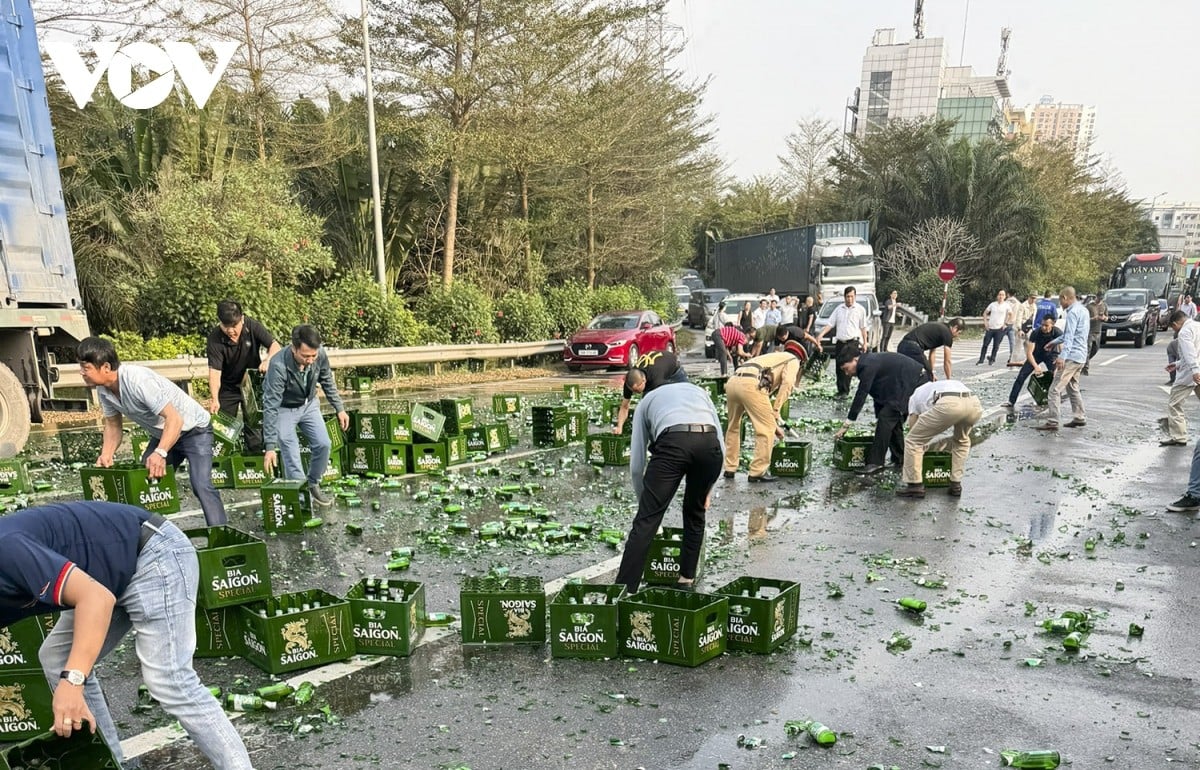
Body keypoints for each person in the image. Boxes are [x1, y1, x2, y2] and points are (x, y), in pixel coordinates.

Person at [0, 500, 254, 769]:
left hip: (151, 553)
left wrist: (73, 683)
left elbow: (96, 599)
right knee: (57, 658)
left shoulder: (7, 548)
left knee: (170, 680)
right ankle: (112, 763)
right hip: (102, 577)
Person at [78, 336, 228, 527]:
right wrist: (106, 454)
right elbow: (113, 425)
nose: (81, 372)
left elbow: (175, 419)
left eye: (86, 367)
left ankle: (221, 534)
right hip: (164, 433)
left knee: (201, 484)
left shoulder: (138, 381)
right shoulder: (104, 390)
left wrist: (160, 452)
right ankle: (148, 536)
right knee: (142, 482)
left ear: (106, 367)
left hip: (193, 430)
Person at [614, 380, 724, 593]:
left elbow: (637, 466)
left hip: (673, 442)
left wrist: (644, 502)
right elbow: (721, 440)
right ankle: (686, 581)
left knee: (646, 522)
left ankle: (625, 590)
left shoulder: (646, 402)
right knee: (695, 513)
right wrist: (710, 487)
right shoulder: (699, 391)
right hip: (709, 446)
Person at [261, 325, 350, 507]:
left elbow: (326, 380)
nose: (310, 360)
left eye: (313, 356)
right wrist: (270, 446)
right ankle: (302, 498)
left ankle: (313, 482)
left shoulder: (320, 354)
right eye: (305, 356)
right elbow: (270, 406)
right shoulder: (278, 365)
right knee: (290, 450)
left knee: (324, 444)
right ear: (294, 348)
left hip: (309, 404)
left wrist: (339, 408)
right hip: (284, 408)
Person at [834, 348, 928, 476]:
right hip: (900, 383)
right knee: (890, 420)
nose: (847, 373)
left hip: (914, 381)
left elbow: (862, 393)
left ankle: (876, 462)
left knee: (886, 418)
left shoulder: (866, 365)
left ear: (855, 360)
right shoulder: (868, 362)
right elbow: (877, 392)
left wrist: (848, 423)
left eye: (846, 368)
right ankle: (900, 458)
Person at [722, 341, 806, 483]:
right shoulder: (793, 360)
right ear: (801, 358)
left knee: (733, 426)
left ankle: (730, 468)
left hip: (733, 381)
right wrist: (776, 410)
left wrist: (774, 424)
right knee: (765, 430)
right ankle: (757, 471)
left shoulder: (774, 356)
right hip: (752, 385)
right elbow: (788, 383)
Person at [206, 299, 281, 452]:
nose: (231, 331)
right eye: (226, 327)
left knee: (254, 428)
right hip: (228, 387)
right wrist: (214, 398)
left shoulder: (252, 326)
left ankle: (256, 459)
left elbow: (275, 345)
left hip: (251, 385)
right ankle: (223, 461)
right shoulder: (214, 338)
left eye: (234, 326)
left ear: (242, 319)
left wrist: (268, 360)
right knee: (223, 429)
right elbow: (214, 372)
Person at [896, 379, 982, 498]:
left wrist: (922, 446)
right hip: (974, 403)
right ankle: (956, 484)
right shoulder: (936, 385)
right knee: (961, 441)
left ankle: (914, 485)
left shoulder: (914, 395)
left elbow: (913, 427)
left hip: (949, 404)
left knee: (913, 441)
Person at [1035, 287, 1089, 431]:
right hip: (1081, 356)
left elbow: (1070, 337)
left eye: (1060, 300)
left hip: (1071, 356)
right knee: (1072, 387)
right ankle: (1079, 417)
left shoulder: (1072, 313)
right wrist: (1053, 342)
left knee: (1054, 389)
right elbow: (1070, 335)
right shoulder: (1084, 310)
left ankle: (1052, 421)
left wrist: (1062, 357)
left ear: (1065, 298)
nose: (1060, 304)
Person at [614, 350, 687, 433]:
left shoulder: (656, 380)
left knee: (683, 397)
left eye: (637, 390)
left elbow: (661, 402)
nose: (635, 392)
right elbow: (624, 407)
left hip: (673, 370)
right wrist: (619, 427)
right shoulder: (629, 382)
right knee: (647, 405)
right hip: (655, 369)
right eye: (633, 391)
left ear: (644, 380)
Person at [814, 286, 869, 397]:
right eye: (847, 297)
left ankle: (845, 391)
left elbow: (863, 327)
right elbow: (830, 324)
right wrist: (820, 335)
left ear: (855, 296)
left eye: (852, 296)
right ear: (844, 297)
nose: (849, 299)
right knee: (839, 366)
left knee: (848, 366)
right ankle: (840, 390)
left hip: (852, 342)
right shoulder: (839, 309)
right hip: (840, 342)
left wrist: (865, 342)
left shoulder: (860, 310)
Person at [1003, 314, 1062, 408]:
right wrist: (1036, 366)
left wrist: (1058, 365)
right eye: (1042, 325)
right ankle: (1011, 401)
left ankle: (1054, 400)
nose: (1043, 327)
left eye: (1046, 325)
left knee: (1057, 377)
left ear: (1052, 325)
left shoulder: (1057, 332)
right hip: (1036, 355)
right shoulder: (1036, 332)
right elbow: (1029, 353)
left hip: (1051, 355)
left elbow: (1062, 350)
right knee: (1021, 377)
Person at [1161, 310, 1200, 447]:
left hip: (1190, 374)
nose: (1175, 331)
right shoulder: (1198, 326)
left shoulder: (1184, 332)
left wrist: (1195, 370)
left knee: (1175, 404)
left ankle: (1179, 437)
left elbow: (1190, 353)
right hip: (1195, 369)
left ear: (1176, 323)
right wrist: (1177, 364)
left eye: (1173, 327)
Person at [897, 318, 964, 381]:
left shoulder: (940, 327)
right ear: (955, 328)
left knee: (907, 375)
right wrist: (949, 380)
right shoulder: (947, 334)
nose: (957, 335)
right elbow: (947, 361)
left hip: (902, 345)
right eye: (959, 333)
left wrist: (931, 372)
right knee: (925, 376)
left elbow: (932, 354)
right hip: (913, 348)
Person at [978, 290, 1012, 365]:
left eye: (1002, 295)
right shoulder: (993, 304)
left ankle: (992, 359)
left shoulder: (1006, 305)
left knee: (996, 345)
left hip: (999, 328)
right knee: (985, 344)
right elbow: (985, 313)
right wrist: (986, 323)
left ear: (1005, 296)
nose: (1001, 296)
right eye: (999, 295)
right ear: (997, 296)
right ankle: (981, 359)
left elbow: (1010, 314)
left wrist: (1005, 324)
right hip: (990, 327)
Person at [1081, 293, 1107, 376]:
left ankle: (1085, 361)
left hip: (1098, 331)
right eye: (1099, 298)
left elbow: (1107, 317)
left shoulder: (1104, 305)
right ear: (1096, 297)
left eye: (1101, 299)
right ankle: (1085, 368)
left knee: (1095, 349)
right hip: (1089, 330)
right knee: (1088, 348)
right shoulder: (1090, 306)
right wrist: (1094, 318)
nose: (1100, 300)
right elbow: (1084, 318)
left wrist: (1104, 318)